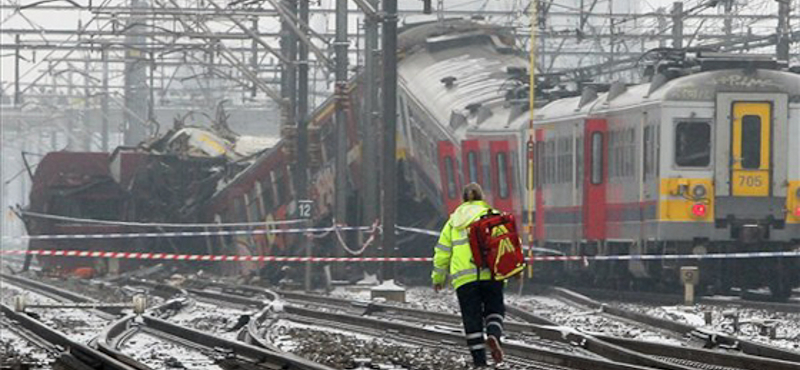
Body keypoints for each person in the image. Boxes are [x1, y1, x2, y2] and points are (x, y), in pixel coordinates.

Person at [432, 183, 505, 368]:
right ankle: (494, 335)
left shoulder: (453, 222)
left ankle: (479, 362)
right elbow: (508, 245)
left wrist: (438, 278)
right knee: (494, 309)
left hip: (465, 279)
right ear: (482, 197)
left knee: (471, 319)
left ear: (463, 199)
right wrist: (516, 269)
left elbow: (442, 253)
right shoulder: (493, 216)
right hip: (492, 275)